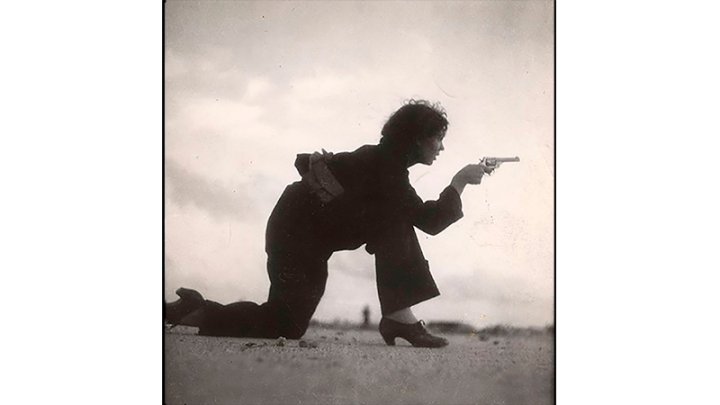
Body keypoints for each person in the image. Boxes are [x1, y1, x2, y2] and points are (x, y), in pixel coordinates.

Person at [165, 100, 493, 348]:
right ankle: (399, 319)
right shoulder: (386, 167)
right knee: (285, 324)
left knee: (286, 324)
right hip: (294, 237)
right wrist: (459, 182)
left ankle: (193, 310)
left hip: (301, 234)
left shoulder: (383, 161)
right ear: (416, 139)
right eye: (437, 138)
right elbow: (430, 221)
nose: (441, 146)